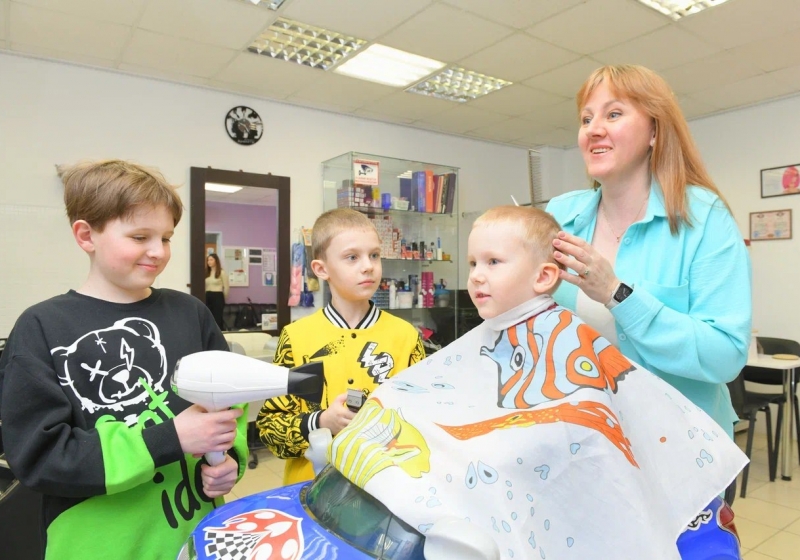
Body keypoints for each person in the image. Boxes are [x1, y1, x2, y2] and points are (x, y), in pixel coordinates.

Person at [328, 205, 746, 560]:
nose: (475, 276)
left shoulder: (568, 340)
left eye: (493, 263)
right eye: (473, 263)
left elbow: (579, 425)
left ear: (544, 277)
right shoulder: (490, 333)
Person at [0, 160, 248, 559]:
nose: (158, 252)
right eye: (139, 237)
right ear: (86, 235)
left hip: (197, 535)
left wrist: (228, 460)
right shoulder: (41, 327)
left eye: (166, 238)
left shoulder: (191, 313)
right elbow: (41, 457)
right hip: (98, 547)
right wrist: (170, 438)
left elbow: (230, 405)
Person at [545, 64, 751, 436]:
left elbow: (725, 356)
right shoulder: (560, 214)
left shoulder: (703, 216)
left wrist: (617, 294)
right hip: (586, 438)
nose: (593, 129)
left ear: (655, 131)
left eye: (613, 114)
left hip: (683, 443)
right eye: (586, 119)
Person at [257, 208, 425, 485]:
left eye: (374, 255)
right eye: (352, 257)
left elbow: (424, 420)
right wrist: (321, 421)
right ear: (321, 269)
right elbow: (270, 430)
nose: (368, 266)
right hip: (311, 488)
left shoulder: (405, 336)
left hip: (387, 487)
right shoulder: (296, 338)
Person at [205, 252, 229, 330]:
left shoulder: (221, 272)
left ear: (216, 261)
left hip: (218, 296)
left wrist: (223, 298)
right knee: (208, 316)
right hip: (208, 295)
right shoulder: (207, 272)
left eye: (211, 260)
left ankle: (219, 332)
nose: (209, 262)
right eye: (208, 260)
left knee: (217, 317)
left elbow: (226, 287)